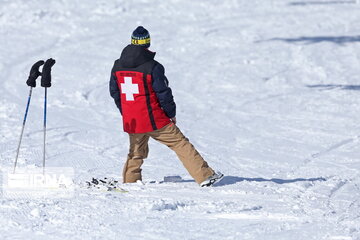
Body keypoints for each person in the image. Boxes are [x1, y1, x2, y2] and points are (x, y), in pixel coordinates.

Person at [109, 26, 223, 187]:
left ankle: (130, 182)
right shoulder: (153, 67)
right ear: (147, 43)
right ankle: (205, 175)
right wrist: (171, 113)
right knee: (180, 143)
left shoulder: (117, 66)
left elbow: (115, 92)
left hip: (133, 119)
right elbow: (163, 94)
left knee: (136, 152)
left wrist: (126, 112)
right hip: (155, 119)